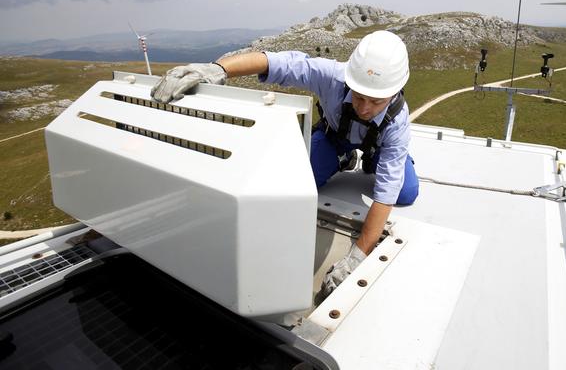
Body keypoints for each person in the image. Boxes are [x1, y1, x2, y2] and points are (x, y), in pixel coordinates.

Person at [150, 30, 419, 296]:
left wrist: (356, 257)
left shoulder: (397, 122)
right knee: (300, 179)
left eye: (376, 101)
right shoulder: (333, 77)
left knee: (405, 192)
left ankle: (373, 159)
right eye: (359, 96)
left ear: (395, 92)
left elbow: (385, 196)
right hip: (335, 138)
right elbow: (277, 62)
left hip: (380, 146)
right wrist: (216, 69)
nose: (364, 108)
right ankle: (343, 157)